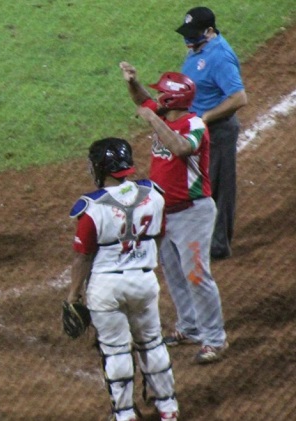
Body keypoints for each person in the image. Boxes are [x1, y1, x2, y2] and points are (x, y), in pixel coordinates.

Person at [119, 62, 228, 364]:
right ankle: (190, 327)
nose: (156, 99)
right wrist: (132, 81)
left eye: (161, 95)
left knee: (196, 275)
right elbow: (143, 101)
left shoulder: (193, 124)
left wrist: (153, 119)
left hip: (193, 212)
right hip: (164, 212)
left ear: (170, 101)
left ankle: (215, 340)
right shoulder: (166, 116)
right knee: (174, 273)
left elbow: (181, 148)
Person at [66, 138, 179, 421]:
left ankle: (125, 414)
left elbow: (82, 257)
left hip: (106, 288)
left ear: (100, 167)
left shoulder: (92, 208)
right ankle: (168, 407)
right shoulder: (153, 196)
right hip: (144, 281)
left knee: (116, 352)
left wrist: (72, 295)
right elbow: (160, 234)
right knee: (152, 343)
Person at [176, 6, 248, 259]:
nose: (188, 38)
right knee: (201, 184)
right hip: (199, 129)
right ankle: (202, 236)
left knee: (218, 187)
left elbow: (239, 97)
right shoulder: (198, 49)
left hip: (217, 130)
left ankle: (218, 245)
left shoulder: (219, 56)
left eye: (194, 33)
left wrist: (205, 118)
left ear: (209, 31)